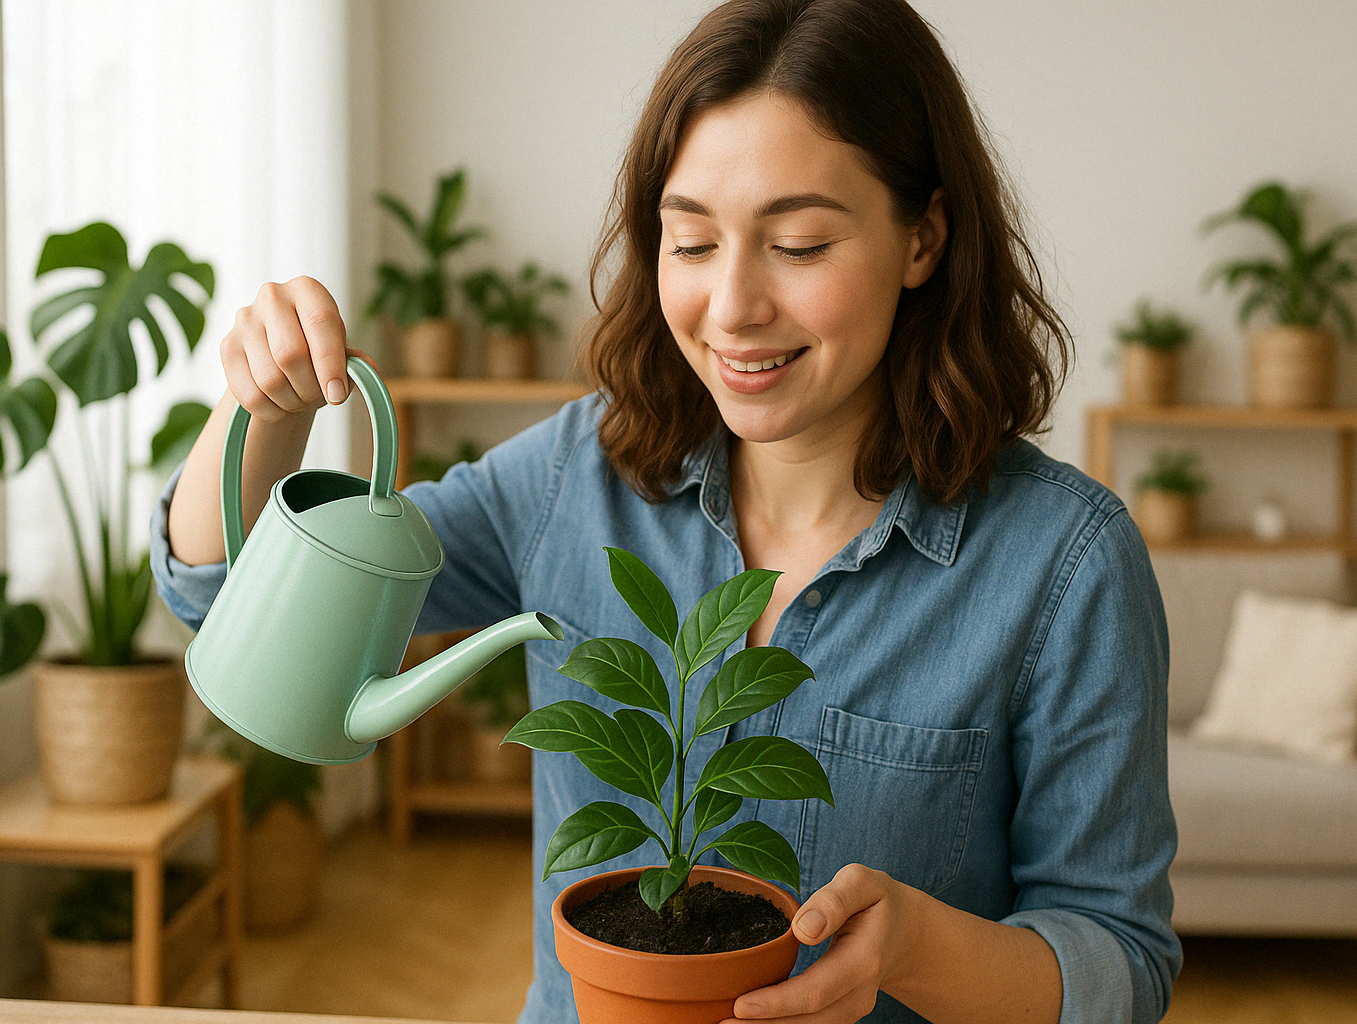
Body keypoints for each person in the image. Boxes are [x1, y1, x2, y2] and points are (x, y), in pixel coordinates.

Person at [153, 1, 1180, 1021]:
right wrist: (264, 406)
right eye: (690, 243)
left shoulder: (1065, 563)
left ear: (923, 238)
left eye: (801, 244)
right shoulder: (577, 476)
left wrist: (915, 950)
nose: (732, 305)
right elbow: (226, 603)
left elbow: (1119, 962)